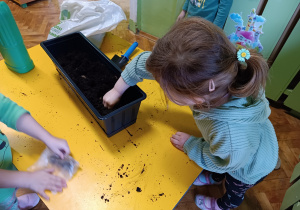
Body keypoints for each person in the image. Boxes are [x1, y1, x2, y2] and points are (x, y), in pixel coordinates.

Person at [102, 17, 279, 210]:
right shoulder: (212, 73)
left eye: (167, 90)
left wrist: (191, 144)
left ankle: (223, 204)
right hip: (231, 150)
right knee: (218, 167)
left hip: (248, 166)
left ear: (198, 97)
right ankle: (214, 178)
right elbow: (142, 64)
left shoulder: (228, 134)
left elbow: (221, 162)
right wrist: (117, 90)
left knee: (233, 187)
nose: (162, 88)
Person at [0, 93, 70, 209]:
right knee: (6, 201)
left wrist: (47, 138)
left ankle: (14, 200)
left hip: (4, 163)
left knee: (11, 189)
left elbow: (7, 109)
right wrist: (27, 179)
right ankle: (12, 205)